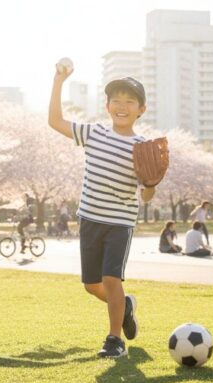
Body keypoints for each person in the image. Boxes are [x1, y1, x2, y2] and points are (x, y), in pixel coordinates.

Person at [50, 66, 155, 358]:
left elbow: (146, 195)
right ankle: (126, 307)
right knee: (92, 285)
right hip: (90, 218)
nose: (122, 106)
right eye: (116, 100)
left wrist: (150, 184)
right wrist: (58, 81)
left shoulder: (142, 147)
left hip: (120, 222)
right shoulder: (94, 133)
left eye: (130, 101)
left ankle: (114, 340)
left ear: (141, 110)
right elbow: (55, 121)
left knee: (111, 279)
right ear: (107, 106)